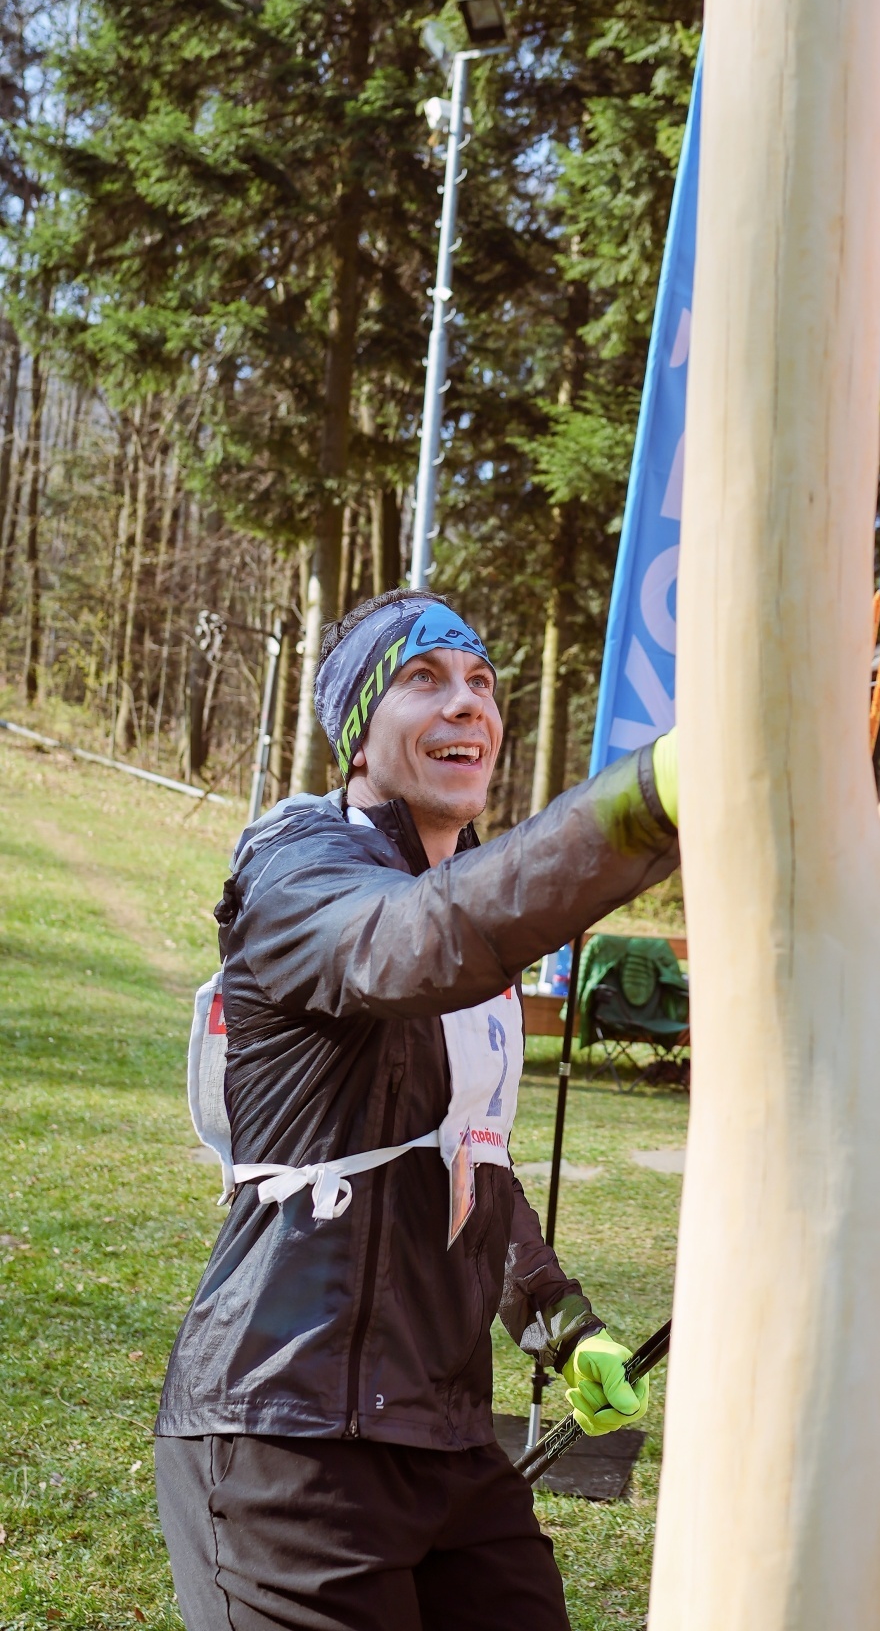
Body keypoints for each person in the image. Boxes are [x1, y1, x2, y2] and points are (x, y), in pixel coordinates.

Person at [155, 588, 680, 1631]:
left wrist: (560, 1321)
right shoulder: (298, 866)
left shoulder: (464, 901)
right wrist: (651, 798)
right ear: (358, 734)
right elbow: (411, 939)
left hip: (447, 1440)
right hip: (284, 1432)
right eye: (424, 679)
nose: (467, 703)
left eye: (481, 681)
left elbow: (470, 1160)